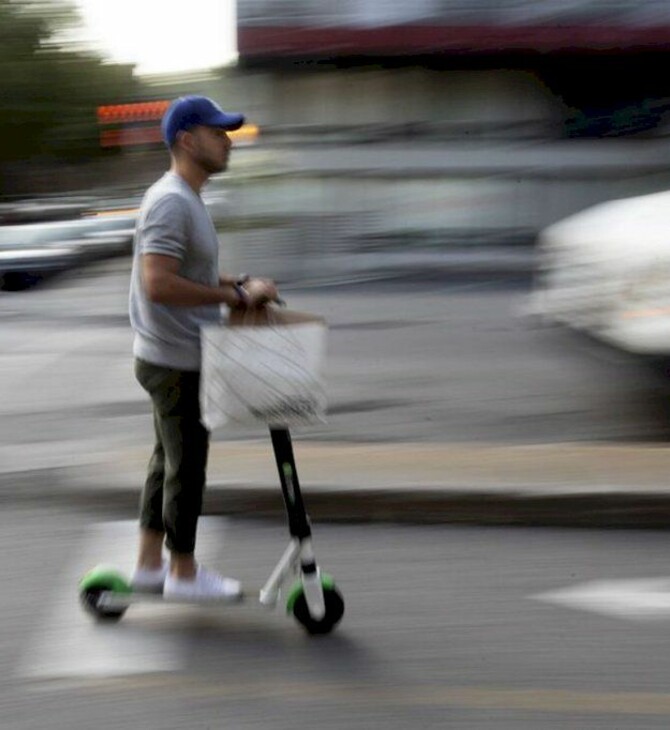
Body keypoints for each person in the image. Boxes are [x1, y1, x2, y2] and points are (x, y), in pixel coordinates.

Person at [128, 96, 277, 599]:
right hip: (175, 359)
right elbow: (159, 283)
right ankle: (183, 574)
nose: (227, 140)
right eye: (218, 132)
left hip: (168, 356)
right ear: (188, 140)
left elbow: (185, 272)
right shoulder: (172, 200)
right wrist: (232, 296)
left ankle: (150, 565)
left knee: (165, 462)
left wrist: (239, 280)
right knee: (187, 466)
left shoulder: (186, 198)